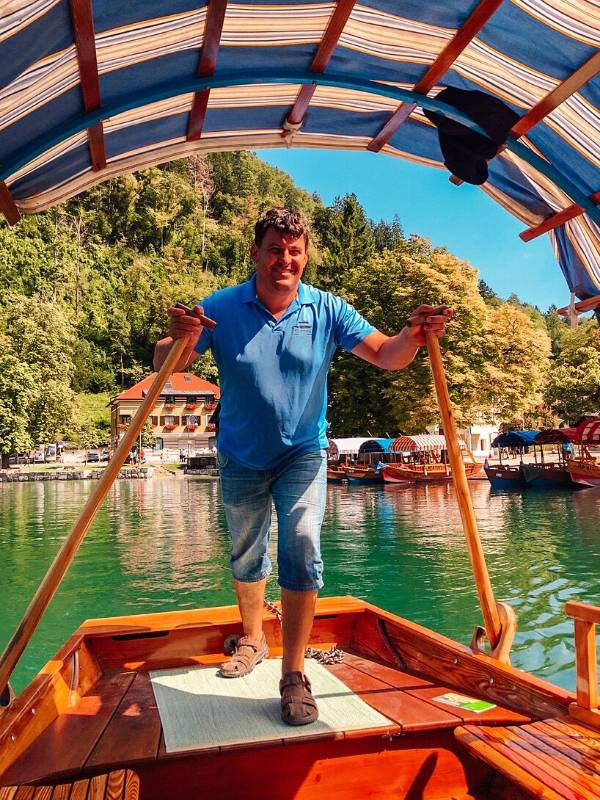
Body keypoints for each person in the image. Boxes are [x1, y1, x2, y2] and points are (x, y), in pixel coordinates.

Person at [153, 207, 452, 726]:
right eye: (274, 250)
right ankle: (251, 638)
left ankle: (293, 673)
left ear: (305, 256)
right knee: (247, 553)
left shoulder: (328, 309)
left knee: (303, 544)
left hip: (304, 452)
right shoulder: (221, 308)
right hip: (241, 453)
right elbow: (166, 364)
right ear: (256, 254)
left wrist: (414, 335)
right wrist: (177, 336)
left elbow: (387, 354)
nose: (284, 260)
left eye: (294, 252)